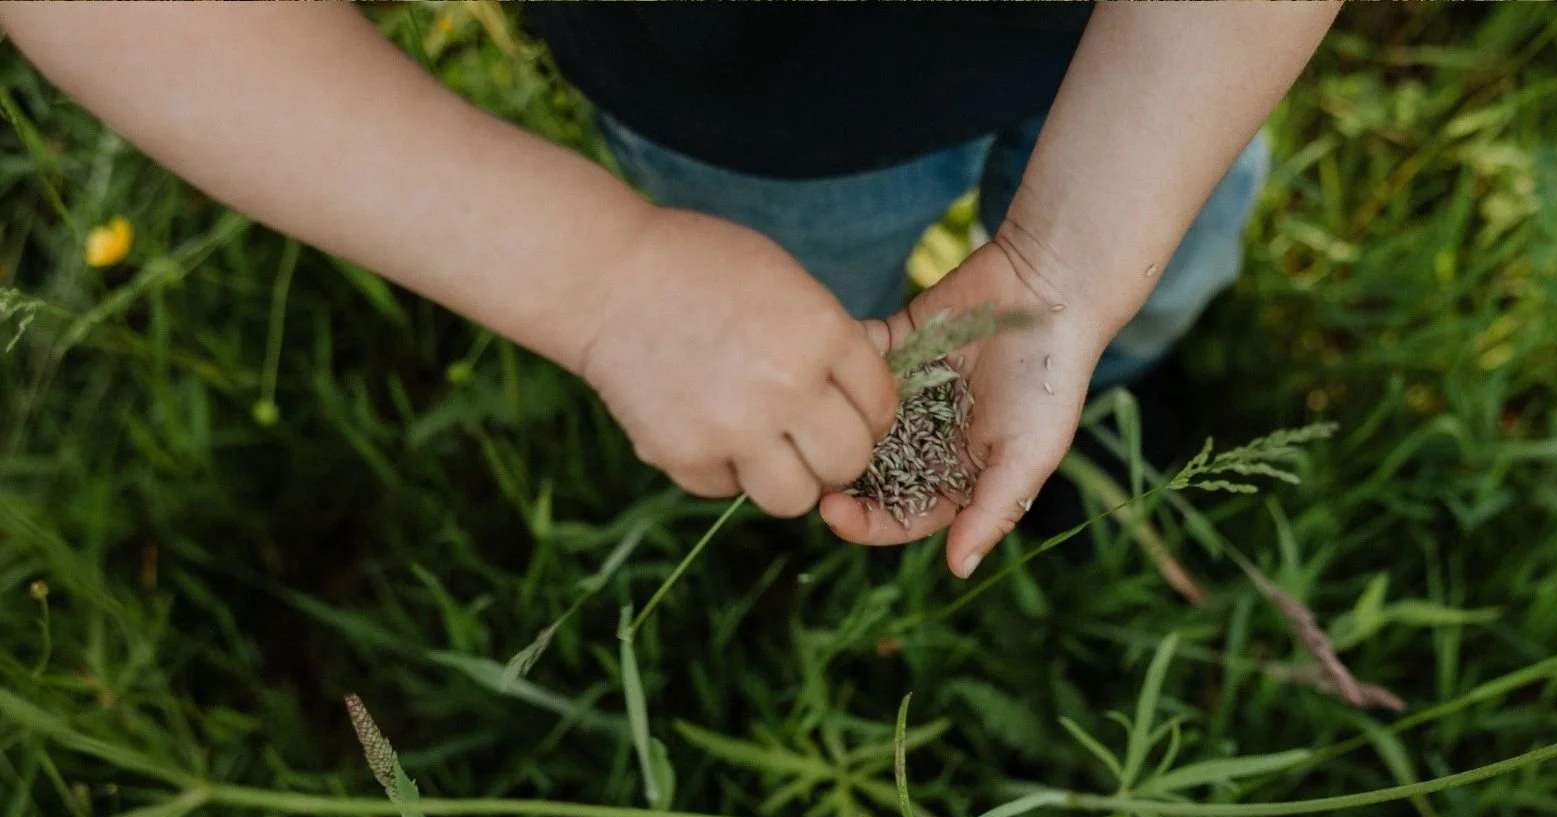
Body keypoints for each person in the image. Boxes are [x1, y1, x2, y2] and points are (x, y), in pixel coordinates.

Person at [1, 2, 1339, 579]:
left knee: (1168, 261)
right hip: (750, 99)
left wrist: (1076, 270)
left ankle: (1115, 389)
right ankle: (829, 448)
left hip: (1169, 65)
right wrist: (604, 277)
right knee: (804, 334)